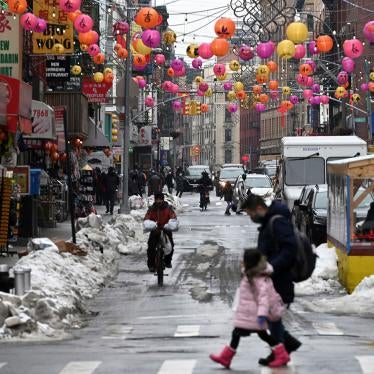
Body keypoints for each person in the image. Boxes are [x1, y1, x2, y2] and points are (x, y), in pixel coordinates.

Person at [240, 193, 302, 365]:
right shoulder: (269, 221)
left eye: (251, 214)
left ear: (259, 208)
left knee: (272, 319)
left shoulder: (278, 221)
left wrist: (270, 267)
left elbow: (289, 250)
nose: (251, 218)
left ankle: (280, 353)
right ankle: (286, 346)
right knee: (272, 318)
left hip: (280, 279)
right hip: (272, 279)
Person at [209, 249, 289, 369]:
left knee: (254, 335)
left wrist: (262, 315)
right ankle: (226, 358)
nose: (242, 262)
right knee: (246, 334)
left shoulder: (258, 278)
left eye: (244, 260)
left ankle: (281, 355)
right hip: (249, 315)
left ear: (251, 263)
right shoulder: (251, 274)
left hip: (254, 315)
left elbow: (263, 298)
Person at [144, 193, 177, 271]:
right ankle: (151, 265)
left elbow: (173, 217)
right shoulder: (152, 208)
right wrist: (149, 223)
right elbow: (147, 217)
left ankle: (168, 261)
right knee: (151, 247)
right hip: (155, 230)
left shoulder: (168, 208)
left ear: (163, 199)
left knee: (170, 245)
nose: (158, 201)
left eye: (160, 199)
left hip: (166, 229)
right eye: (157, 199)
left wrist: (171, 224)